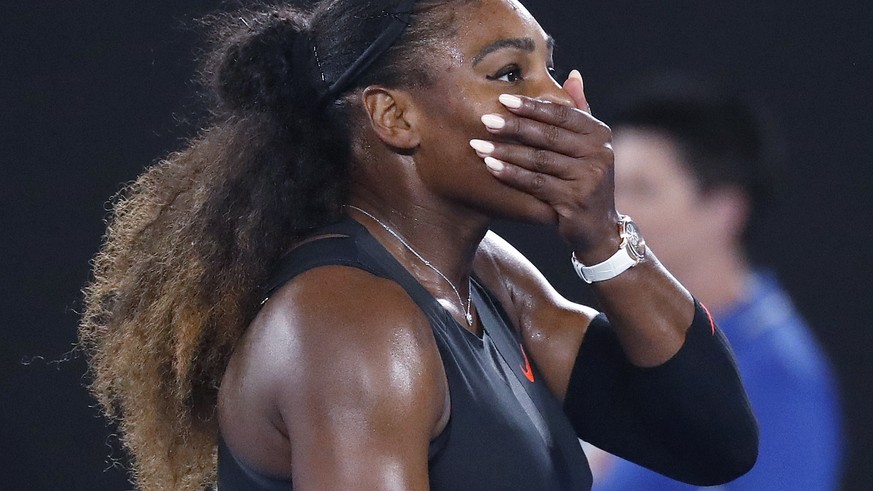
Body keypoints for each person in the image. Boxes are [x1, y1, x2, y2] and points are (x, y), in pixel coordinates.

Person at [78, 2, 758, 490]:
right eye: (509, 75)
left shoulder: (488, 278)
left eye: (550, 70)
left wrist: (604, 236)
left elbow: (711, 441)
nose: (562, 105)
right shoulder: (348, 322)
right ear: (395, 116)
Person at [588, 77, 843, 490]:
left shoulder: (779, 381)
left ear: (724, 210)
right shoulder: (618, 335)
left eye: (642, 189)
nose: (613, 210)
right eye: (613, 187)